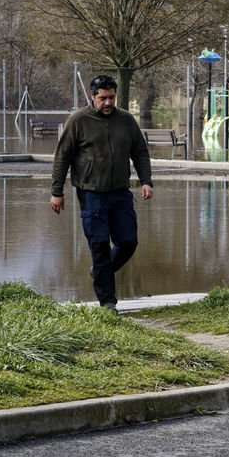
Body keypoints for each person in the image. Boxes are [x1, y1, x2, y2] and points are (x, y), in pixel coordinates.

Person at [50, 75, 154, 314]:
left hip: (120, 193)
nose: (108, 103)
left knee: (128, 241)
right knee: (99, 246)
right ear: (92, 96)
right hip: (91, 194)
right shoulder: (78, 121)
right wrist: (57, 192)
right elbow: (62, 157)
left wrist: (146, 181)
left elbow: (139, 151)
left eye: (111, 98)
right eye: (103, 98)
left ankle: (100, 270)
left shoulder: (126, 120)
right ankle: (108, 302)